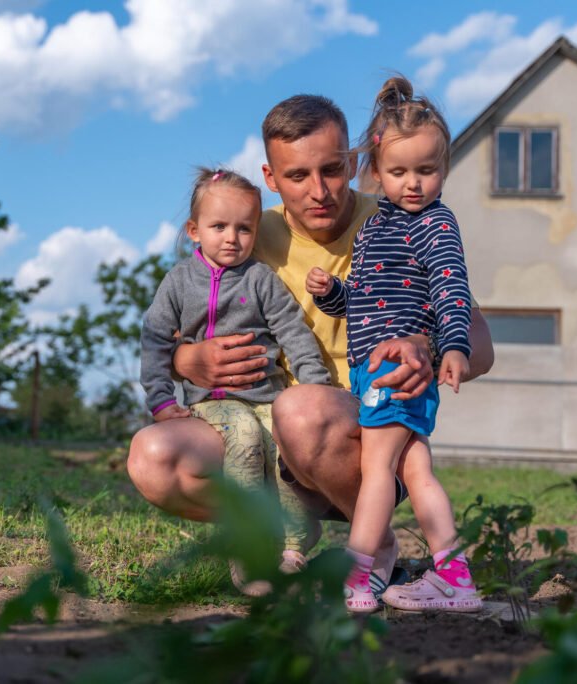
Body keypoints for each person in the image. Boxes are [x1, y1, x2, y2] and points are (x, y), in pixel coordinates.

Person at [126, 94, 494, 600]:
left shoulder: (398, 222)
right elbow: (175, 321)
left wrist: (424, 346)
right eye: (297, 175)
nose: (318, 190)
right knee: (153, 457)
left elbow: (481, 344)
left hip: (361, 435)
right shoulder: (249, 230)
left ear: (354, 161)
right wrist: (187, 361)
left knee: (298, 409)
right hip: (266, 437)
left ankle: (375, 548)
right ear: (271, 177)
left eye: (332, 169)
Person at [306, 76, 482, 613]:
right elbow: (368, 301)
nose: (413, 184)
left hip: (397, 371)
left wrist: (454, 346)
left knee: (376, 468)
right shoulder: (378, 225)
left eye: (426, 171)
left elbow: (452, 287)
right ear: (375, 173)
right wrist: (336, 293)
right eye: (399, 172)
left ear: (444, 170)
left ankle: (359, 575)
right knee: (415, 470)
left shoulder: (434, 224)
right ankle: (453, 575)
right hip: (373, 365)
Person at [140, 167, 332, 595]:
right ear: (194, 231)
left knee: (282, 454)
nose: (232, 238)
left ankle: (295, 545)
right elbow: (154, 339)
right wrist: (160, 399)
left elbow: (293, 331)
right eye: (219, 226)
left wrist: (315, 386)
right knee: (244, 438)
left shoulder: (261, 279)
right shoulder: (177, 283)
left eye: (244, 228)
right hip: (213, 404)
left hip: (268, 397)